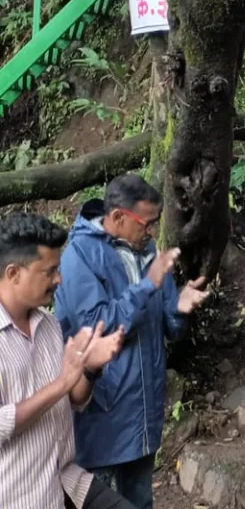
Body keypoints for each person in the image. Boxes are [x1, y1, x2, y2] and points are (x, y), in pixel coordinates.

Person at [54, 174, 210, 509]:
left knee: (140, 500)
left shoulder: (148, 250)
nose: (152, 232)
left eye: (155, 223)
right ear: (118, 218)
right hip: (102, 419)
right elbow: (96, 330)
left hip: (144, 417)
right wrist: (148, 285)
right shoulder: (78, 256)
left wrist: (178, 308)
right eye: (147, 223)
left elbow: (169, 330)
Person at [0, 213, 131, 509]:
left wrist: (90, 368)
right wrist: (60, 384)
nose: (58, 279)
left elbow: (74, 399)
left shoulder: (48, 324)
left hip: (67, 481)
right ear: (13, 273)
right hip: (19, 496)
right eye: (48, 271)